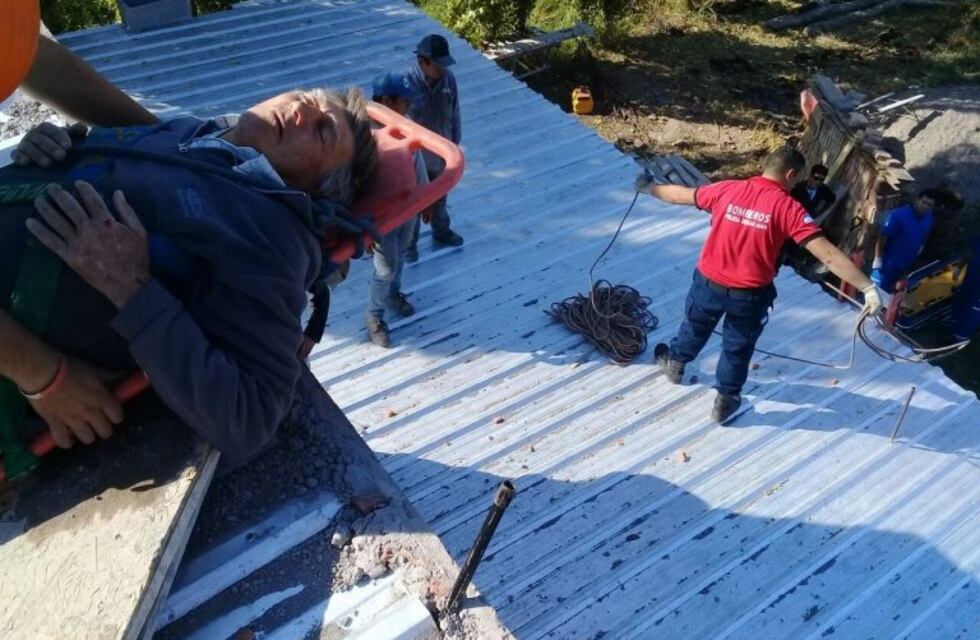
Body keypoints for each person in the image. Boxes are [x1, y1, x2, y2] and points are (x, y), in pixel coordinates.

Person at [0, 88, 378, 465]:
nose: (298, 111)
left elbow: (249, 420)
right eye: (303, 97)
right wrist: (57, 151)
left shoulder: (267, 238)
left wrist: (131, 288)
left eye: (323, 131)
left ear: (315, 190)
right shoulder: (192, 134)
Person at [635, 147, 882, 424]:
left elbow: (679, 195)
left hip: (708, 284)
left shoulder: (727, 189)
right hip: (749, 296)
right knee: (737, 348)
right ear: (789, 174)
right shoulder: (789, 208)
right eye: (795, 178)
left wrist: (650, 188)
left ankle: (675, 363)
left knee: (694, 325)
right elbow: (827, 254)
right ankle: (725, 401)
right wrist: (867, 287)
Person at [364, 71, 429, 347]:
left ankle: (394, 294)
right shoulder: (365, 138)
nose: (409, 106)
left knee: (401, 254)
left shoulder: (405, 124)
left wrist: (427, 198)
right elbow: (359, 184)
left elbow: (418, 162)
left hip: (409, 209)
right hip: (384, 216)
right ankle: (374, 315)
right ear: (386, 101)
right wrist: (364, 225)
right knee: (385, 268)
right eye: (404, 101)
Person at [405, 33, 464, 259]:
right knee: (415, 203)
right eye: (438, 65)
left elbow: (455, 111)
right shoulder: (407, 84)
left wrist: (455, 141)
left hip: (442, 152)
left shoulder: (448, 80)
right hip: (417, 157)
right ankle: (409, 244)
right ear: (423, 62)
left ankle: (441, 230)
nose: (442, 69)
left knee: (440, 196)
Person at [872, 190, 937, 293]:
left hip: (906, 264)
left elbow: (926, 232)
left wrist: (921, 245)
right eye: (924, 202)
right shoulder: (898, 215)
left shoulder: (929, 216)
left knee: (892, 293)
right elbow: (883, 236)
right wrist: (878, 258)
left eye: (929, 205)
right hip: (888, 264)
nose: (926, 206)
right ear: (917, 200)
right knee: (875, 292)